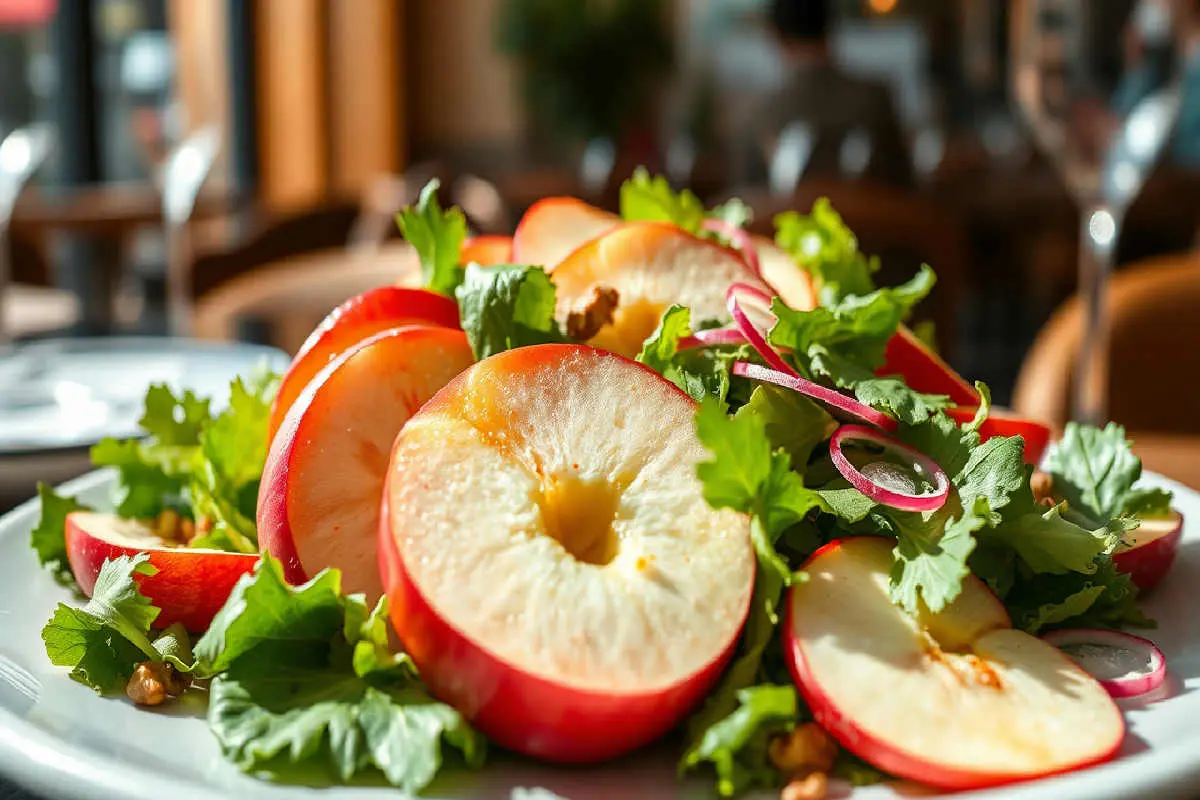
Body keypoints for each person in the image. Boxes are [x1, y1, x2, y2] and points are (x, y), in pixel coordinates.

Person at [731, 0, 913, 189]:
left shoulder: (757, 114)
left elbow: (744, 199)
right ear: (831, 29)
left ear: (775, 36)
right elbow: (905, 186)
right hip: (874, 208)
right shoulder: (875, 99)